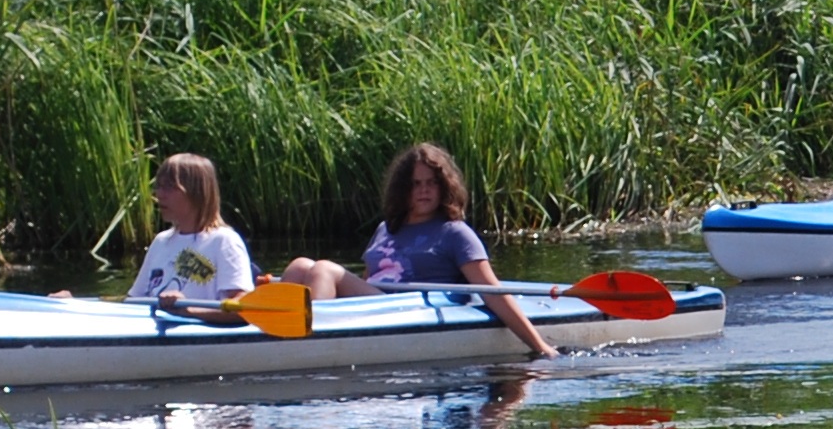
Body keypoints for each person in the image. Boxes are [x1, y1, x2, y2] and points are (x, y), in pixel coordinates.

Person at [279, 141, 556, 359]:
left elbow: (492, 292)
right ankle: (271, 338)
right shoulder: (386, 228)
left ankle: (307, 345)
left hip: (407, 309)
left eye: (431, 183)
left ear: (444, 186)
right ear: (403, 190)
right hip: (374, 309)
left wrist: (539, 345)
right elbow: (367, 281)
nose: (424, 190)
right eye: (416, 184)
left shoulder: (455, 232)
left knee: (324, 269)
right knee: (301, 265)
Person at [123, 152, 253, 310]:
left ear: (196, 192)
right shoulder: (161, 241)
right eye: (159, 186)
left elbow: (243, 306)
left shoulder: (224, 241)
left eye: (170, 187)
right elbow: (134, 300)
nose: (159, 195)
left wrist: (189, 311)